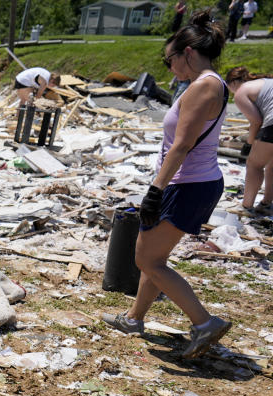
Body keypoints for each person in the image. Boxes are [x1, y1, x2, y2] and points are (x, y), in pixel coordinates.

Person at [102, 10, 232, 358]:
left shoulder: (204, 86)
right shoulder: (207, 84)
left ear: (187, 53)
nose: (169, 67)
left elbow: (182, 145)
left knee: (147, 259)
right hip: (192, 182)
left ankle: (205, 323)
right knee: (155, 257)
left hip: (187, 184)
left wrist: (154, 191)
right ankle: (133, 318)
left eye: (170, 59)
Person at [225, 66, 273, 214]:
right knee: (271, 165)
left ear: (232, 83)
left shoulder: (241, 92)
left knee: (254, 164)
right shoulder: (265, 82)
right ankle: (266, 204)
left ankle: (246, 207)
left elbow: (256, 121)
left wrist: (249, 143)